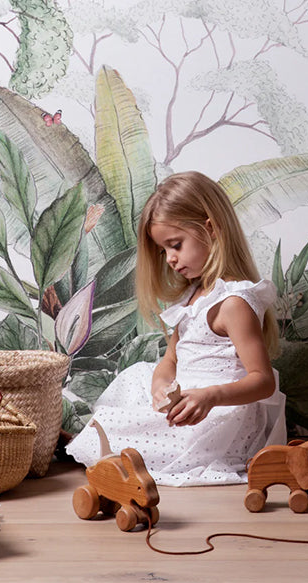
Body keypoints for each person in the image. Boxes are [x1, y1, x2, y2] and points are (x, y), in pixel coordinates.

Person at [66, 171, 286, 486]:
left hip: (219, 413)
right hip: (187, 396)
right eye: (163, 251)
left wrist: (210, 397)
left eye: (175, 245)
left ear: (210, 230)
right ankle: (104, 448)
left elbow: (263, 382)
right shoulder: (192, 297)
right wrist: (160, 385)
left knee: (121, 428)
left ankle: (105, 453)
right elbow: (171, 359)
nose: (170, 259)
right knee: (133, 382)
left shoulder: (234, 302)